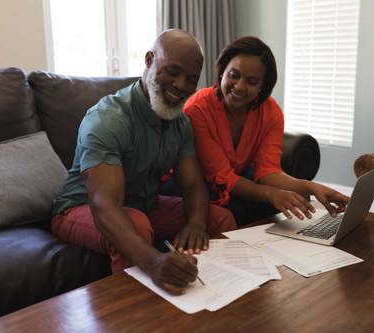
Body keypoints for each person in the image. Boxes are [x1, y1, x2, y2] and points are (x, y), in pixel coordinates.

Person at [51, 29, 237, 295]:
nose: (182, 85)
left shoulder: (181, 123)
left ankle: (218, 296)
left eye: (191, 79)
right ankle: (137, 316)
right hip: (80, 208)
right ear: (149, 60)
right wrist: (154, 262)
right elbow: (104, 206)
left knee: (219, 219)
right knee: (136, 223)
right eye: (172, 71)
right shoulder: (108, 119)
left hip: (141, 204)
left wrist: (196, 224)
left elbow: (193, 184)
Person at [183, 36, 350, 226]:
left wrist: (311, 187)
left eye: (252, 81)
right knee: (263, 203)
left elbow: (268, 171)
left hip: (234, 183)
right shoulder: (197, 109)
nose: (239, 86)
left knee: (288, 203)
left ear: (262, 86)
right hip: (196, 185)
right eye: (234, 75)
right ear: (222, 72)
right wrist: (272, 194)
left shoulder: (271, 112)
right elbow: (223, 176)